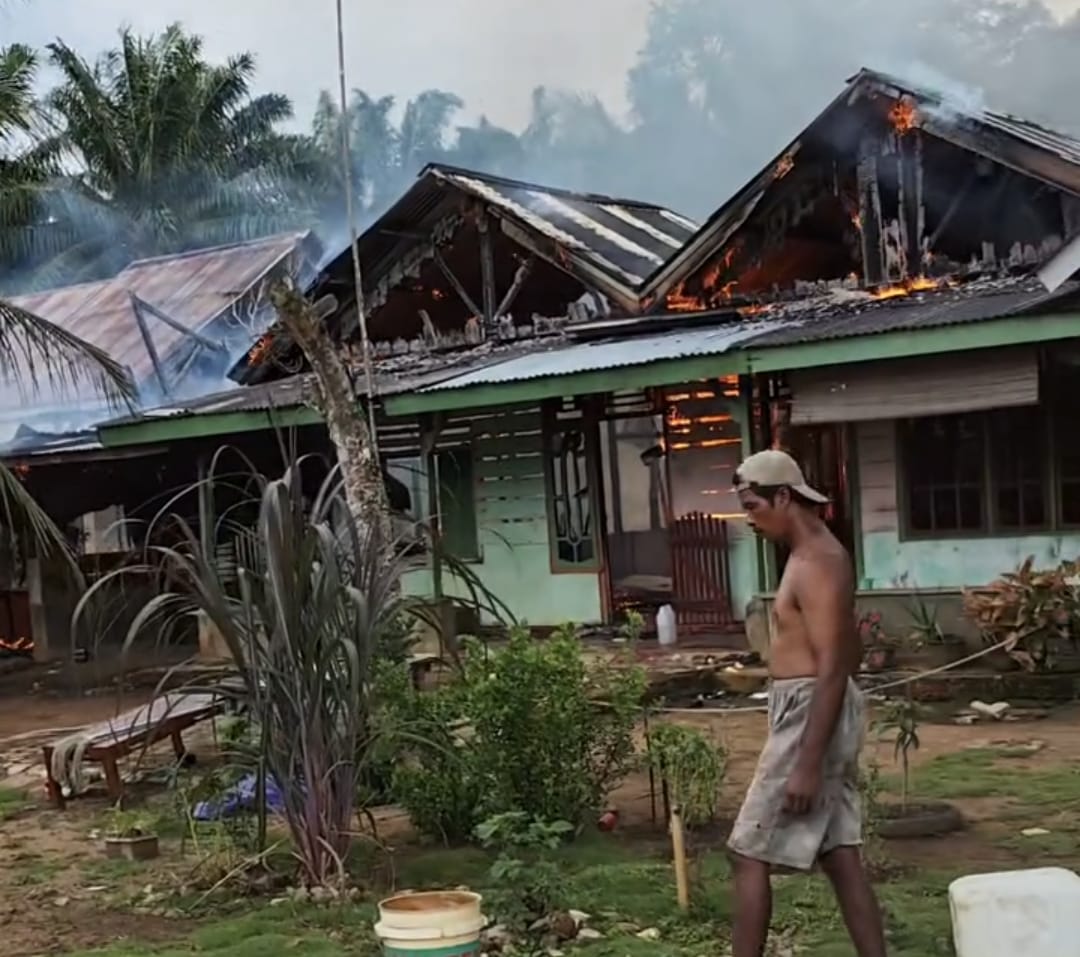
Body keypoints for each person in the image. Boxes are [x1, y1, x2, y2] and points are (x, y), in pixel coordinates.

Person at [727, 449, 887, 957]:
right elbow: (847, 650)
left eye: (753, 507)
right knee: (840, 854)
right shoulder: (809, 555)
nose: (750, 521)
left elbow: (835, 666)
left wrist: (808, 763)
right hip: (809, 708)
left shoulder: (818, 560)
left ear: (783, 497)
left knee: (748, 853)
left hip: (810, 713)